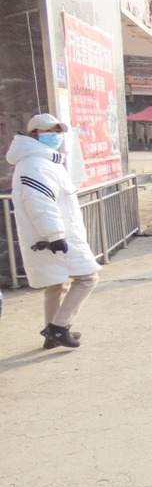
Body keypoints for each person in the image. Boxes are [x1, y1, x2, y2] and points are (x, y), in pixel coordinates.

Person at [5, 113, 100, 349]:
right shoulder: (34, 164)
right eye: (51, 131)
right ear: (36, 133)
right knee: (88, 278)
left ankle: (52, 334)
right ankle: (59, 327)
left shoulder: (43, 161)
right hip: (55, 236)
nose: (57, 136)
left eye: (59, 132)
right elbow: (39, 203)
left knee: (58, 284)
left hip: (54, 235)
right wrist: (55, 235)